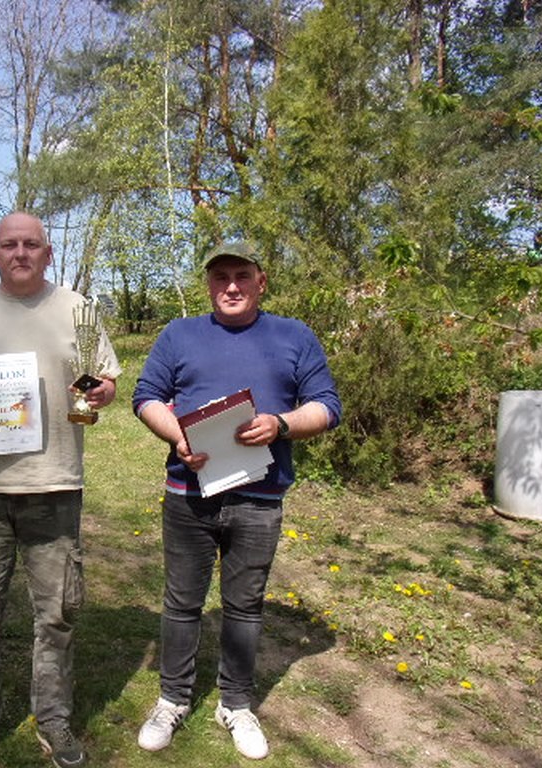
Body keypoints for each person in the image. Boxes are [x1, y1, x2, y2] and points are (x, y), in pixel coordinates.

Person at [0, 212, 121, 768]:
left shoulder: (79, 309)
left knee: (56, 615)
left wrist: (101, 393)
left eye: (31, 244)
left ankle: (53, 719)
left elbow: (105, 379)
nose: (20, 253)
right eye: (9, 245)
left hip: (55, 485)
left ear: (47, 252)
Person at [131, 241, 341, 761]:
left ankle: (236, 704)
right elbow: (146, 396)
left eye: (242, 276)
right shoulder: (179, 334)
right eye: (220, 276)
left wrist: (281, 424)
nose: (231, 286)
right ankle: (172, 699)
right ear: (208, 285)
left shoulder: (294, 336)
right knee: (182, 603)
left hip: (259, 499)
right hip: (189, 494)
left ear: (261, 282)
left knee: (245, 605)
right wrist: (178, 436)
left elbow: (327, 406)